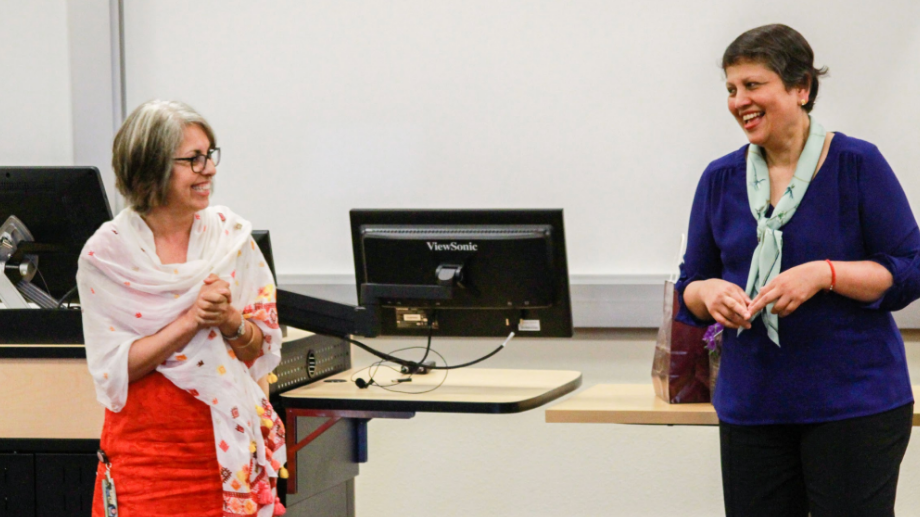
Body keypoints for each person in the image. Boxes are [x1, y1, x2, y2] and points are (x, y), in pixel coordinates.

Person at [677, 24, 919, 517]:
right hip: (752, 406)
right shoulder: (720, 178)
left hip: (854, 406)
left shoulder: (857, 164)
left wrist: (825, 274)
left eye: (753, 84)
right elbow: (690, 285)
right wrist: (711, 293)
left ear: (801, 88)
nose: (738, 100)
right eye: (730, 88)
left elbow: (911, 270)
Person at [77, 100, 287, 517]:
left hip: (226, 456)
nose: (209, 169)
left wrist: (230, 322)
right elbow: (115, 368)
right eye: (193, 159)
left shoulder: (231, 240)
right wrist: (192, 319)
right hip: (146, 463)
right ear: (151, 166)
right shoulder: (107, 254)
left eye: (210, 155)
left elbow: (260, 350)